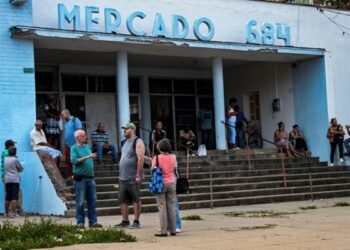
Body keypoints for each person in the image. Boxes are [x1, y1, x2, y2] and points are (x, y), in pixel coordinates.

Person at [115, 122, 145, 229]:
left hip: (133, 176)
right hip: (123, 176)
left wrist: (138, 174)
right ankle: (125, 220)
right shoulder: (124, 142)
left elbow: (141, 158)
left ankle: (136, 221)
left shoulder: (138, 142)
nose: (124, 131)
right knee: (122, 199)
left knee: (135, 199)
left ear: (132, 130)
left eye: (126, 129)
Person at [70, 129, 102, 229]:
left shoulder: (87, 147)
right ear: (77, 138)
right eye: (83, 136)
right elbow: (74, 161)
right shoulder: (74, 148)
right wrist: (88, 156)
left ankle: (93, 221)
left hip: (90, 178)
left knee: (92, 201)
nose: (86, 137)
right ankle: (80, 222)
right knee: (80, 201)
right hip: (80, 179)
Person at [152, 139, 177, 237]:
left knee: (162, 207)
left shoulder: (157, 157)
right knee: (171, 207)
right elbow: (174, 169)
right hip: (171, 182)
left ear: (159, 147)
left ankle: (163, 231)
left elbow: (153, 169)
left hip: (160, 183)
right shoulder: (173, 157)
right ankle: (173, 230)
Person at [61, 109, 82, 178]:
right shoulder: (66, 123)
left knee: (75, 160)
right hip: (68, 144)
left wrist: (79, 143)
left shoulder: (75, 120)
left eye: (63, 115)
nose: (62, 117)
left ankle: (77, 174)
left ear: (67, 113)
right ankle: (70, 175)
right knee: (68, 160)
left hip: (75, 144)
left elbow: (80, 131)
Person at [4, 146, 23, 218]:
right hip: (15, 179)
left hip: (7, 179)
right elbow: (21, 169)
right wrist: (18, 169)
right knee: (14, 197)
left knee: (7, 197)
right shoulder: (15, 159)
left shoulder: (5, 159)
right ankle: (13, 213)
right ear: (15, 152)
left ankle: (6, 213)